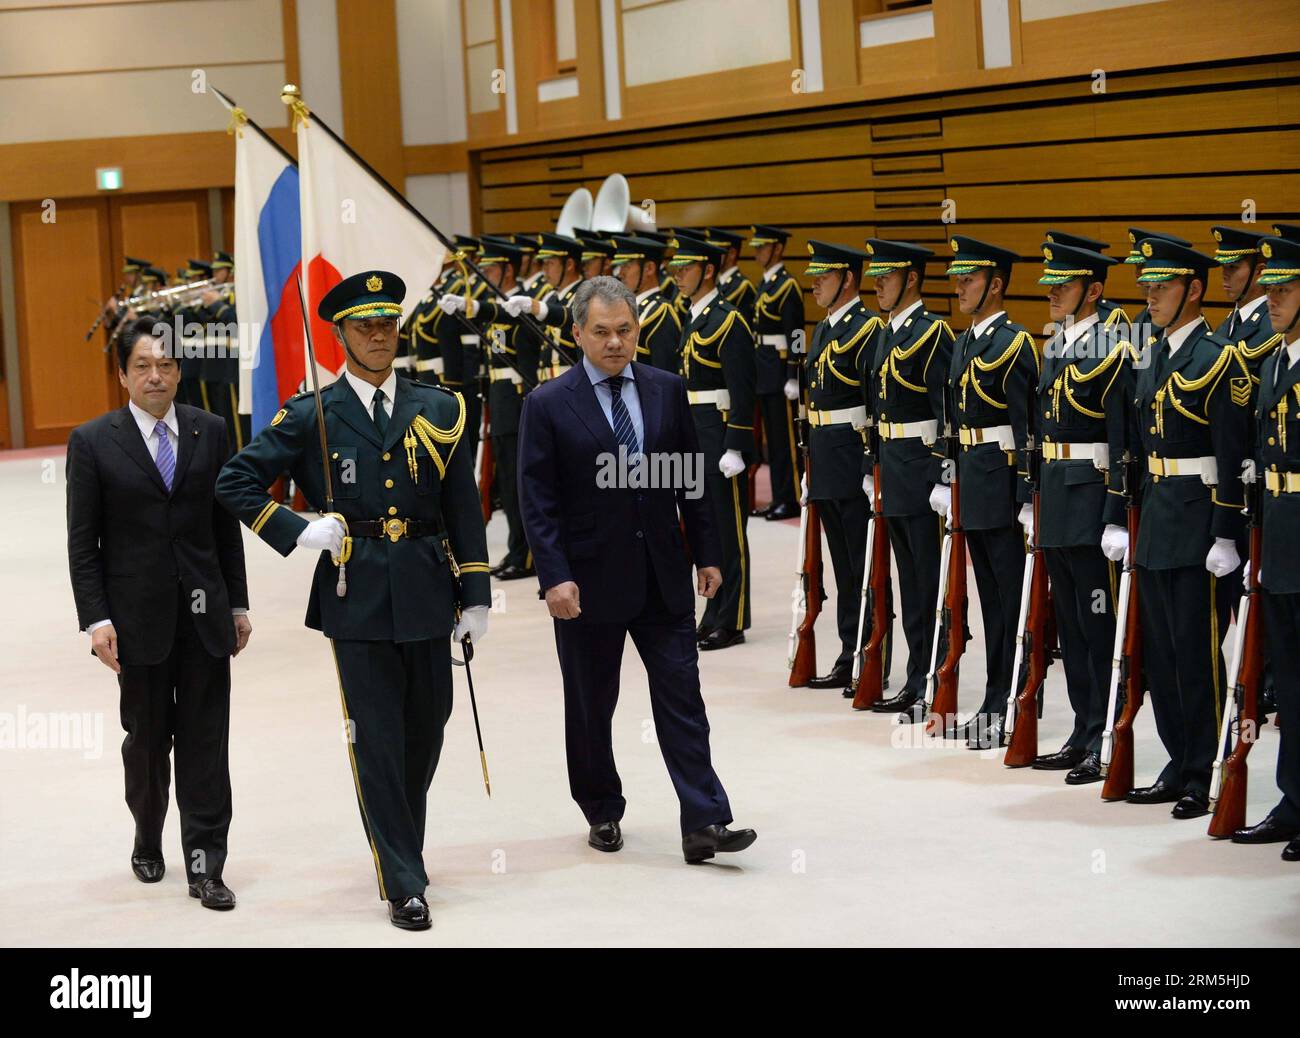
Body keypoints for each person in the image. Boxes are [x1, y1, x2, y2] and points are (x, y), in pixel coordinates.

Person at [216, 270, 492, 930]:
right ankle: (404, 877)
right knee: (376, 739)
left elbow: (462, 506)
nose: (377, 336)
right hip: (356, 588)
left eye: (387, 324)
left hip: (428, 586)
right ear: (338, 336)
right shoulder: (311, 413)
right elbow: (236, 481)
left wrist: (476, 595)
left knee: (427, 728)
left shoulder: (441, 407)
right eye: (363, 326)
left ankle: (401, 846)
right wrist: (299, 527)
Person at [516, 275, 756, 863]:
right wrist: (554, 575)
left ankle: (705, 820)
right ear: (577, 333)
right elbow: (536, 499)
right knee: (592, 705)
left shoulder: (666, 390)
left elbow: (687, 479)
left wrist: (708, 553)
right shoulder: (547, 403)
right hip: (586, 585)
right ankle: (601, 808)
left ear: (638, 329)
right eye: (601, 332)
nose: (615, 343)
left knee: (683, 698)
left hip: (661, 574)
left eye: (625, 330)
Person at [66, 316, 250, 909]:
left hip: (204, 616)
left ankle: (205, 865)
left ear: (179, 372)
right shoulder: (94, 441)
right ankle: (148, 833)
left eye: (166, 365)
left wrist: (238, 602)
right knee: (147, 743)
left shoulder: (211, 430)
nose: (155, 375)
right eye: (142, 365)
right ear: (123, 374)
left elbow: (225, 527)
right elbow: (83, 540)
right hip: (135, 621)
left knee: (205, 742)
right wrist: (96, 620)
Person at [1104, 238, 1250, 819]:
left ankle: (1203, 769)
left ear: (1194, 289)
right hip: (1157, 517)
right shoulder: (1153, 355)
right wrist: (1118, 515)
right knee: (1159, 653)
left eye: (1161, 287)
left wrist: (1225, 532)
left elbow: (1235, 456)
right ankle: (1175, 759)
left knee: (1195, 652)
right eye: (1146, 287)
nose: (1151, 297)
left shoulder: (1218, 359)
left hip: (1198, 522)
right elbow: (1134, 447)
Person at [1030, 241, 1131, 782]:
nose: (1051, 292)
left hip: (1092, 499)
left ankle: (1108, 731)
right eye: (1050, 283)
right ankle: (1082, 727)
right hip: (1057, 498)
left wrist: (1115, 513)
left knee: (1098, 625)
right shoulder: (1056, 344)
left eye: (1063, 285)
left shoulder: (1115, 346)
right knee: (1069, 625)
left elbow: (1121, 439)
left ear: (1093, 290)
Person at [940, 237, 1038, 748]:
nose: (960, 287)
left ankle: (1014, 696)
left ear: (996, 285)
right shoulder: (965, 341)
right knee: (988, 601)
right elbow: (954, 421)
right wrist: (946, 474)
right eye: (958, 279)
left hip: (1001, 485)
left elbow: (1027, 427)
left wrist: (1026, 493)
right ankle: (995, 693)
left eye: (970, 280)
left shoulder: (1014, 343)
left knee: (1011, 602)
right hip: (974, 484)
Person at [861, 239, 955, 719]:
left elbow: (947, 412)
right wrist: (869, 466)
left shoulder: (932, 333)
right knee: (906, 579)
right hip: (892, 468)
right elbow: (877, 409)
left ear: (912, 279)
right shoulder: (886, 331)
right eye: (876, 274)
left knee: (927, 584)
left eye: (888, 274)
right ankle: (916, 674)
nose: (878, 282)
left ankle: (934, 677)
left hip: (920, 471)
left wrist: (943, 474)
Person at [1232, 235, 1300, 861]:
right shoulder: (1276, 360)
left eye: (1284, 291)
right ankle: (1292, 799)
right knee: (1291, 680)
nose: (1271, 301)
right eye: (1270, 289)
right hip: (1278, 530)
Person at [798, 241, 883, 689]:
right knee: (840, 567)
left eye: (824, 275)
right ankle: (849, 649)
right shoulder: (823, 329)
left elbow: (874, 403)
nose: (815, 281)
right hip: (827, 459)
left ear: (848, 279)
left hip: (853, 459)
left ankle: (871, 655)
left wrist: (871, 465)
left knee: (862, 567)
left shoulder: (867, 329)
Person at [670, 233, 757, 650]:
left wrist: (737, 445)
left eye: (686, 269)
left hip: (719, 436)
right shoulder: (695, 316)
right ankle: (711, 610)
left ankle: (733, 618)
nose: (678, 276)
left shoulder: (728, 320)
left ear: (708, 270)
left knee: (728, 533)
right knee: (705, 530)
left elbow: (743, 388)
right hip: (695, 434)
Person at [441, 237, 540, 580]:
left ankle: (527, 554)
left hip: (517, 401)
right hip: (498, 401)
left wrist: (470, 306)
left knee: (520, 483)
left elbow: (528, 359)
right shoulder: (498, 305)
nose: (485, 274)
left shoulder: (520, 305)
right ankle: (517, 550)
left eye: (491, 269)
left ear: (508, 270)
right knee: (508, 484)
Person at [749, 225, 805, 521]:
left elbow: (796, 333)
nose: (757, 251)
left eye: (763, 246)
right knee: (772, 441)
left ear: (778, 248)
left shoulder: (787, 286)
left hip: (781, 371)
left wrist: (794, 374)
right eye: (756, 247)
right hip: (765, 369)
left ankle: (792, 498)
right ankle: (778, 496)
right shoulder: (766, 283)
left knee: (786, 444)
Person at [611, 235, 682, 372]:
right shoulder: (629, 309)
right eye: (621, 266)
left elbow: (664, 378)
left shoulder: (659, 314)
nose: (620, 273)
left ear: (649, 268)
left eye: (627, 266)